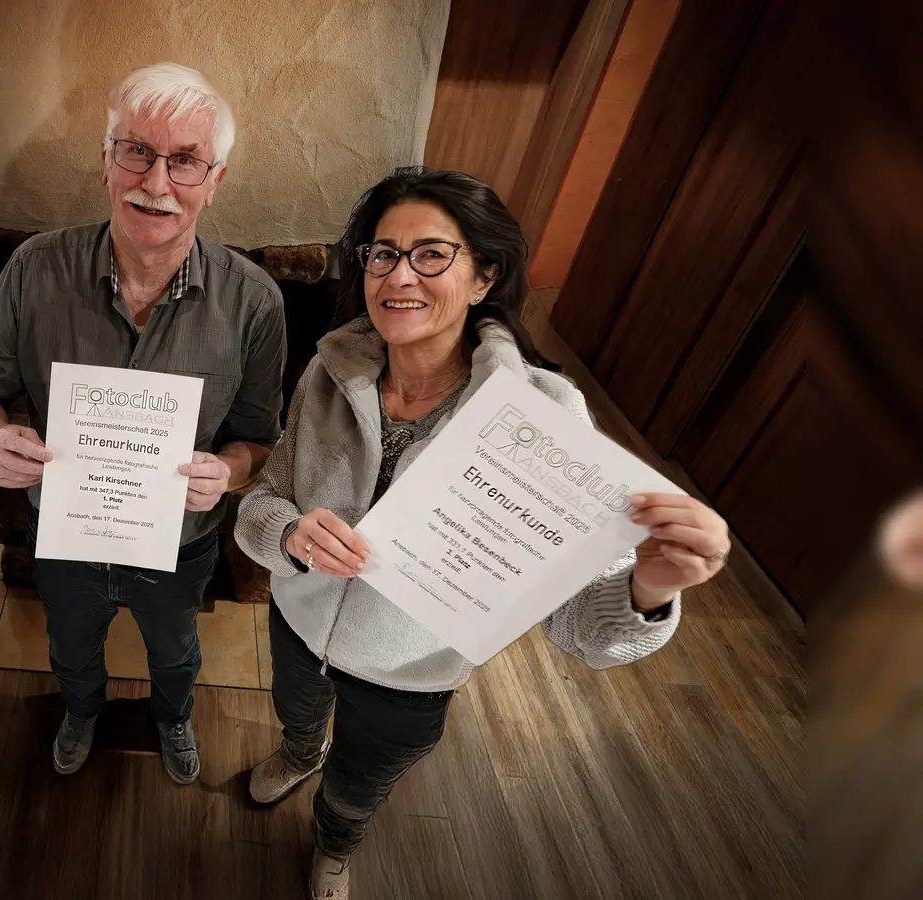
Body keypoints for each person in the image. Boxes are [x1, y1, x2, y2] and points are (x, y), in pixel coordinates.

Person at [234, 167, 732, 899]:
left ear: (484, 277)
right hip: (299, 623)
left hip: (412, 673)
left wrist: (650, 586)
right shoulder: (327, 369)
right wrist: (288, 536)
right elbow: (266, 499)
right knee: (298, 711)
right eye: (382, 253)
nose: (400, 275)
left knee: (363, 777)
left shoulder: (545, 413)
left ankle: (337, 839)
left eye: (432, 254)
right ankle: (300, 751)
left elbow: (581, 627)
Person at [0, 63, 287, 784]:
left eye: (185, 161)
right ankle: (81, 711)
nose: (156, 181)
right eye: (136, 150)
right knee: (72, 648)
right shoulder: (35, 269)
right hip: (63, 535)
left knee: (175, 651)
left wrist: (228, 472)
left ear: (214, 180)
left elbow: (260, 439)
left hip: (180, 543)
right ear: (107, 160)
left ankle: (172, 717)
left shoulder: (254, 302)